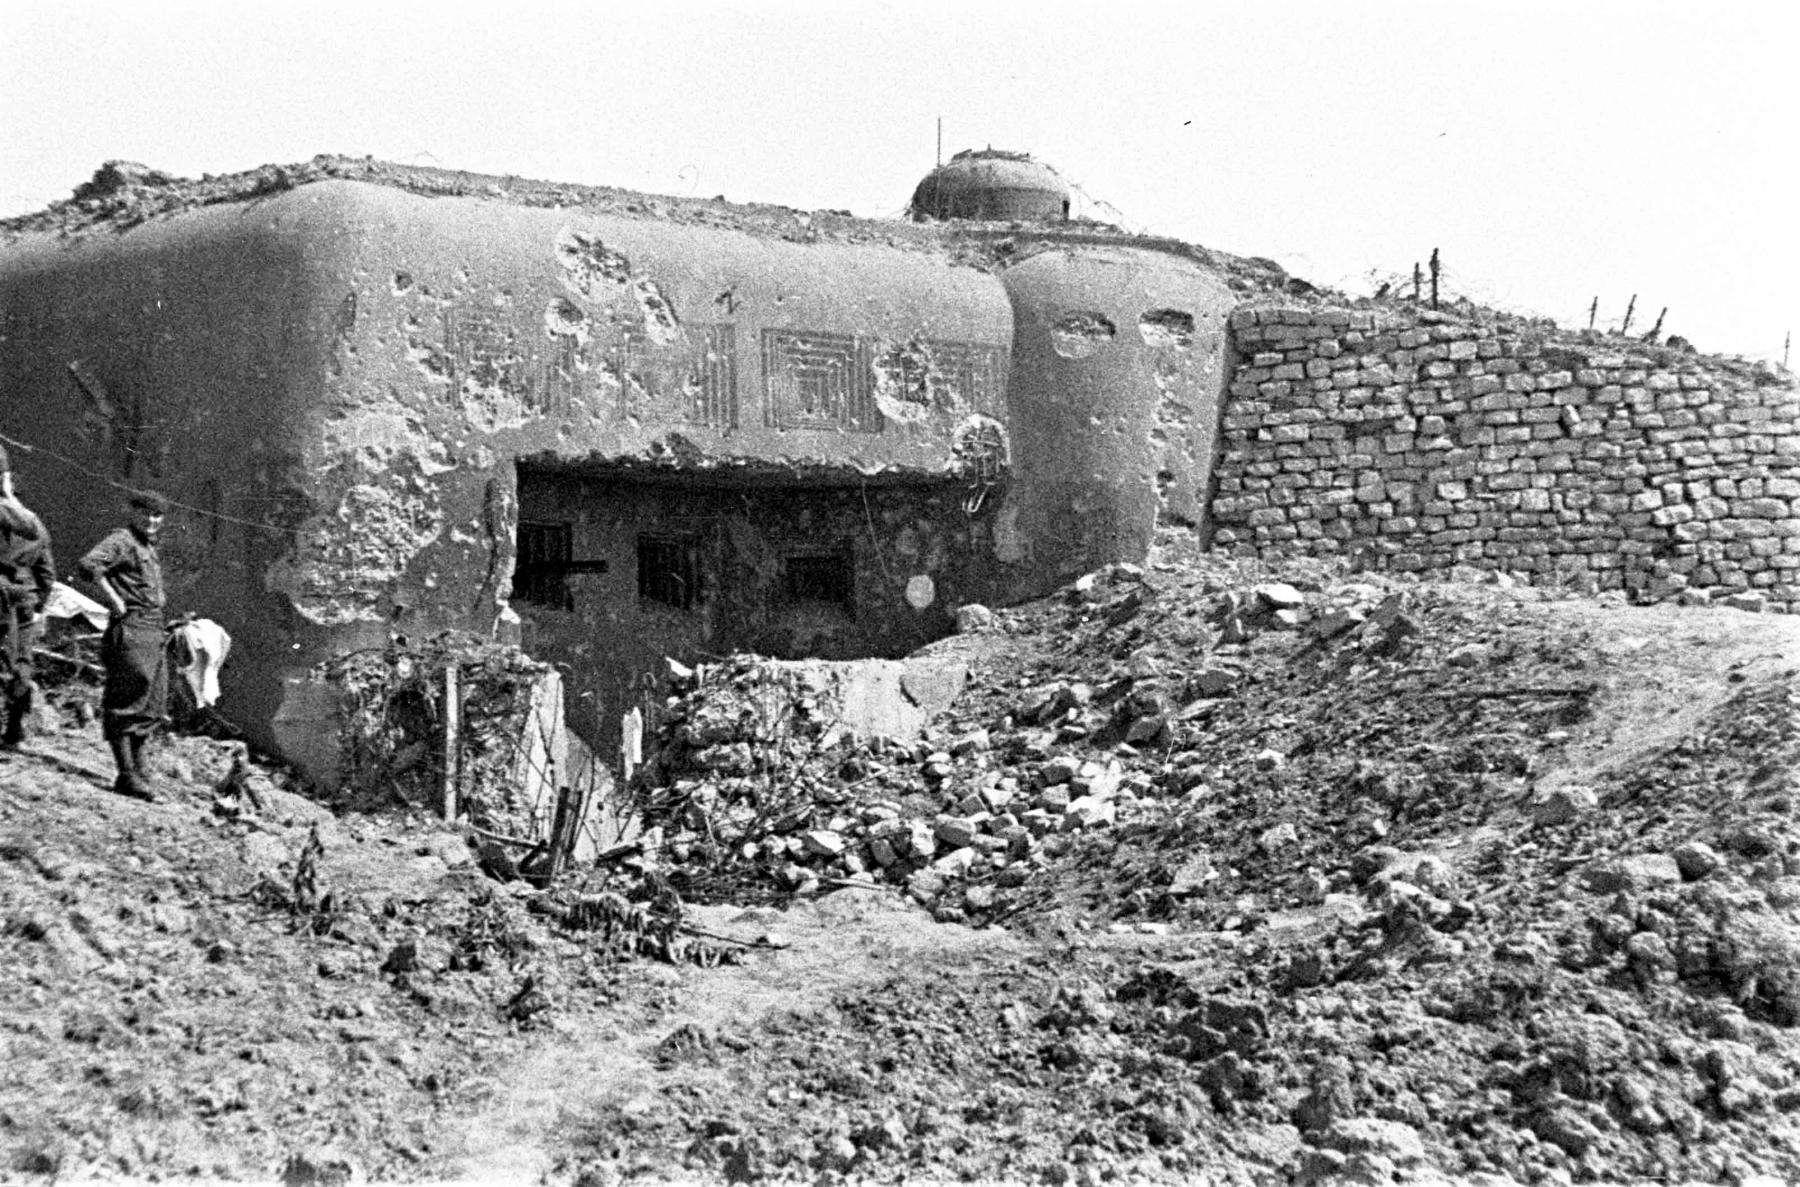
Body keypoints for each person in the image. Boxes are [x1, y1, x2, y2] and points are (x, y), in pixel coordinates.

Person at [78, 489, 170, 800]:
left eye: (157, 515)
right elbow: (90, 565)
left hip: (152, 628)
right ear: (132, 512)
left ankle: (140, 770)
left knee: (151, 700)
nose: (152, 520)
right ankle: (126, 773)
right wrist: (114, 600)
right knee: (127, 698)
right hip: (131, 628)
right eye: (146, 513)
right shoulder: (123, 540)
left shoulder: (146, 545)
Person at [0, 444, 55, 751]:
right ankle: (15, 730)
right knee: (21, 663)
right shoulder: (35, 524)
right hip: (25, 598)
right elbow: (47, 574)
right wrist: (38, 606)